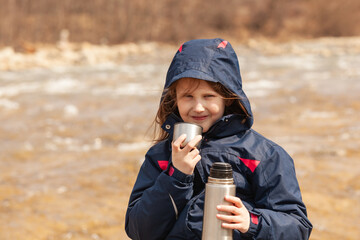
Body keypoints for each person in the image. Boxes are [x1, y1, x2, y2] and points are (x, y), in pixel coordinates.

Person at [125, 38, 312, 239]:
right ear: (174, 99)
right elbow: (139, 231)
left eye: (208, 96)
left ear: (228, 98)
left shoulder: (264, 155)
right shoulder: (161, 156)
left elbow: (298, 228)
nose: (198, 107)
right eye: (188, 96)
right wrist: (176, 175)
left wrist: (251, 222)